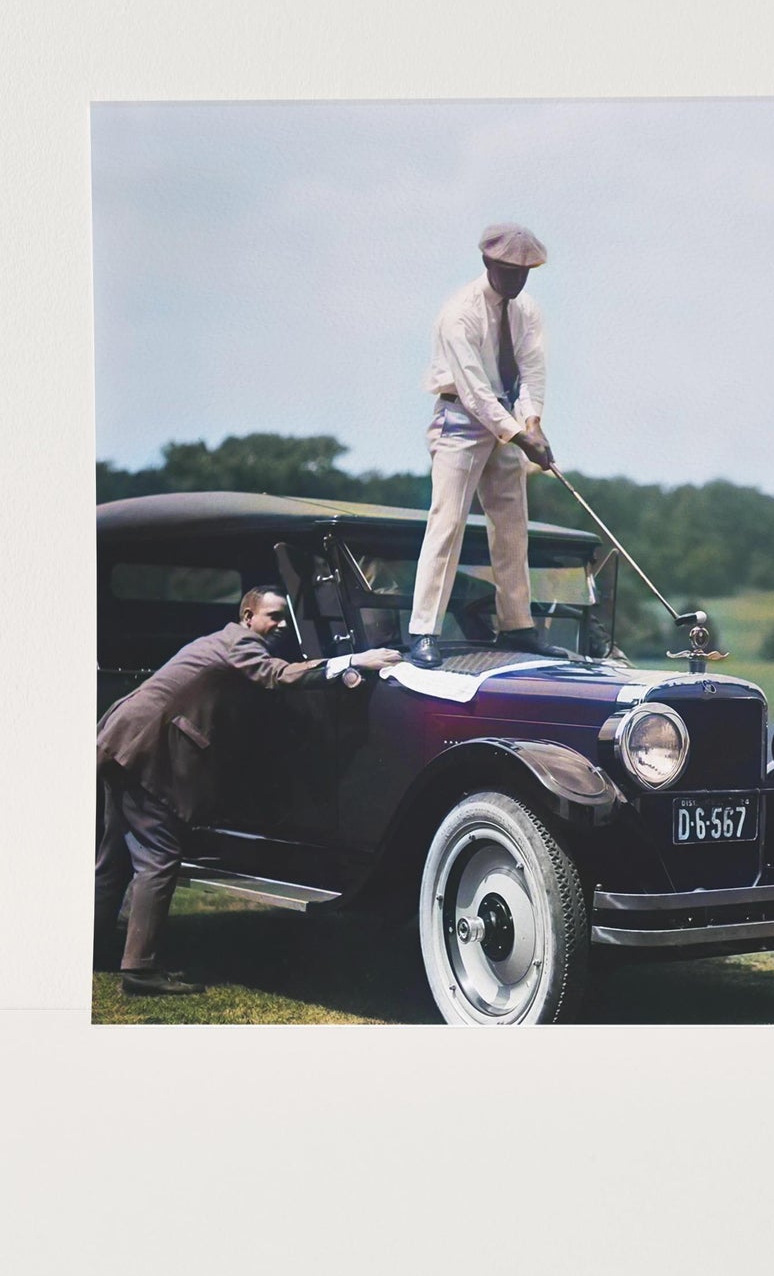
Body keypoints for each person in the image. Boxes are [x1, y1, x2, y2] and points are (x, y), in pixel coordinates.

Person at [94, 586, 401, 996]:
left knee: (113, 859)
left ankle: (95, 949)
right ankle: (139, 971)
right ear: (247, 616)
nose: (279, 624)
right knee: (159, 856)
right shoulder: (240, 642)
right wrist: (353, 660)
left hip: (124, 741)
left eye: (282, 617)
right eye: (272, 616)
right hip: (147, 748)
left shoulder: (223, 640)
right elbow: (275, 675)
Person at [407, 221, 561, 668]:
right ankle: (423, 631)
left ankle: (517, 626)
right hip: (460, 420)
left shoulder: (526, 309)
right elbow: (474, 390)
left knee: (512, 526)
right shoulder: (460, 313)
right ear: (488, 263)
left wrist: (532, 422)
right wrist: (518, 435)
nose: (518, 279)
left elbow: (532, 371)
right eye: (510, 270)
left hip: (508, 418)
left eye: (526, 271)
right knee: (448, 522)